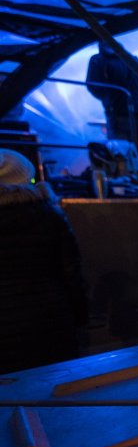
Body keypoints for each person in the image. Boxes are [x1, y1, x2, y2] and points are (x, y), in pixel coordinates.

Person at [0, 149, 88, 372]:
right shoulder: (49, 215)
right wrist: (80, 317)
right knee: (56, 393)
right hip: (49, 320)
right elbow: (71, 271)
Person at [86, 41, 138, 152]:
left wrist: (110, 100)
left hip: (118, 115)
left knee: (122, 153)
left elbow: (94, 86)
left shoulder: (98, 60)